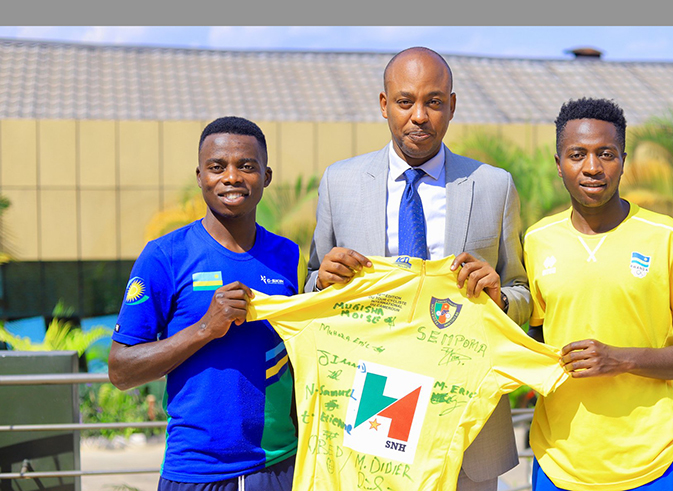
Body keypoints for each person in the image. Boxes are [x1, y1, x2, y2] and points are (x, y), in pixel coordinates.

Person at [305, 46, 530, 491]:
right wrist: (321, 281)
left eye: (434, 101)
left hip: (464, 421)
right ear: (385, 105)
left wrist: (501, 297)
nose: (420, 116)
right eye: (406, 101)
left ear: (452, 105)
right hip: (371, 411)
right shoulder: (339, 182)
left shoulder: (492, 185)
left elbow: (523, 294)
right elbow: (312, 285)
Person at [523, 98, 673, 491]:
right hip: (558, 462)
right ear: (558, 162)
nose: (592, 167)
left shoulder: (670, 239)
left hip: (649, 464)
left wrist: (620, 359)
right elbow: (534, 344)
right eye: (577, 154)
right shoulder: (536, 241)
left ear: (624, 160)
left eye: (606, 154)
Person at [108, 116, 302, 491]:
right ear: (200, 176)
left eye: (247, 166)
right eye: (217, 167)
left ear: (267, 176)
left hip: (279, 466)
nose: (231, 177)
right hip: (196, 471)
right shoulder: (165, 256)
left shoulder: (287, 254)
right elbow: (120, 371)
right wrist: (204, 329)